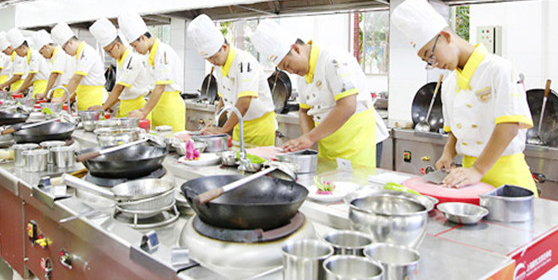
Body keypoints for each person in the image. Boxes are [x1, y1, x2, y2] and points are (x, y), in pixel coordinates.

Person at [392, 0, 537, 192]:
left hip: (507, 177)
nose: (434, 64)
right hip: (469, 178)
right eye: (428, 62)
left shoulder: (499, 68)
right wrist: (448, 153)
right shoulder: (449, 84)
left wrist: (478, 169)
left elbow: (509, 126)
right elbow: (455, 131)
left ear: (446, 37)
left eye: (431, 55)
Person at [251, 20, 376, 168]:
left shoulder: (333, 59)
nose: (290, 72)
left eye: (288, 65)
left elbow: (347, 106)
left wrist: (310, 137)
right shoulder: (303, 77)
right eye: (285, 70)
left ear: (296, 49)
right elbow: (304, 111)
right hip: (328, 148)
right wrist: (306, 140)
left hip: (355, 145)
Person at [187, 14, 276, 146]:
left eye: (213, 57)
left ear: (224, 47)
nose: (212, 62)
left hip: (259, 128)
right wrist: (214, 121)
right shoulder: (220, 66)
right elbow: (223, 99)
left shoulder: (244, 62)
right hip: (239, 125)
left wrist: (223, 130)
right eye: (208, 59)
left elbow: (244, 102)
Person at [118, 13, 185, 131]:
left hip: (170, 109)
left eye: (135, 46)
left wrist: (143, 111)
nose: (135, 50)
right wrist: (144, 110)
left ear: (143, 38)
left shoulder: (163, 51)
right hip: (158, 108)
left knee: (172, 140)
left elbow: (160, 87)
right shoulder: (151, 56)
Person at [88, 18, 152, 117]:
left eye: (109, 51)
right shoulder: (120, 61)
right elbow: (120, 92)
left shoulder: (133, 60)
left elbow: (119, 88)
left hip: (136, 109)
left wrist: (103, 107)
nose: (109, 55)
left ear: (117, 45)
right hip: (124, 108)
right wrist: (108, 105)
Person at [50, 22, 107, 111]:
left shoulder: (87, 52)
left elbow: (76, 79)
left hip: (94, 98)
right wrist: (71, 97)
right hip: (84, 98)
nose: (66, 53)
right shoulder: (79, 54)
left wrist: (62, 98)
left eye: (64, 49)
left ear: (70, 43)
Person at [6, 28, 50, 98]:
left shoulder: (34, 55)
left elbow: (31, 75)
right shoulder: (30, 57)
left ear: (23, 48)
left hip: (42, 87)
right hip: (37, 86)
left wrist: (19, 90)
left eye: (17, 51)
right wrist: (23, 88)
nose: (17, 54)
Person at [33, 29, 73, 100]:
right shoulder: (55, 56)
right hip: (59, 90)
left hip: (63, 90)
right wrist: (50, 94)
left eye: (42, 53)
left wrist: (45, 94)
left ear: (45, 47)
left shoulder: (59, 53)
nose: (43, 56)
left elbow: (54, 74)